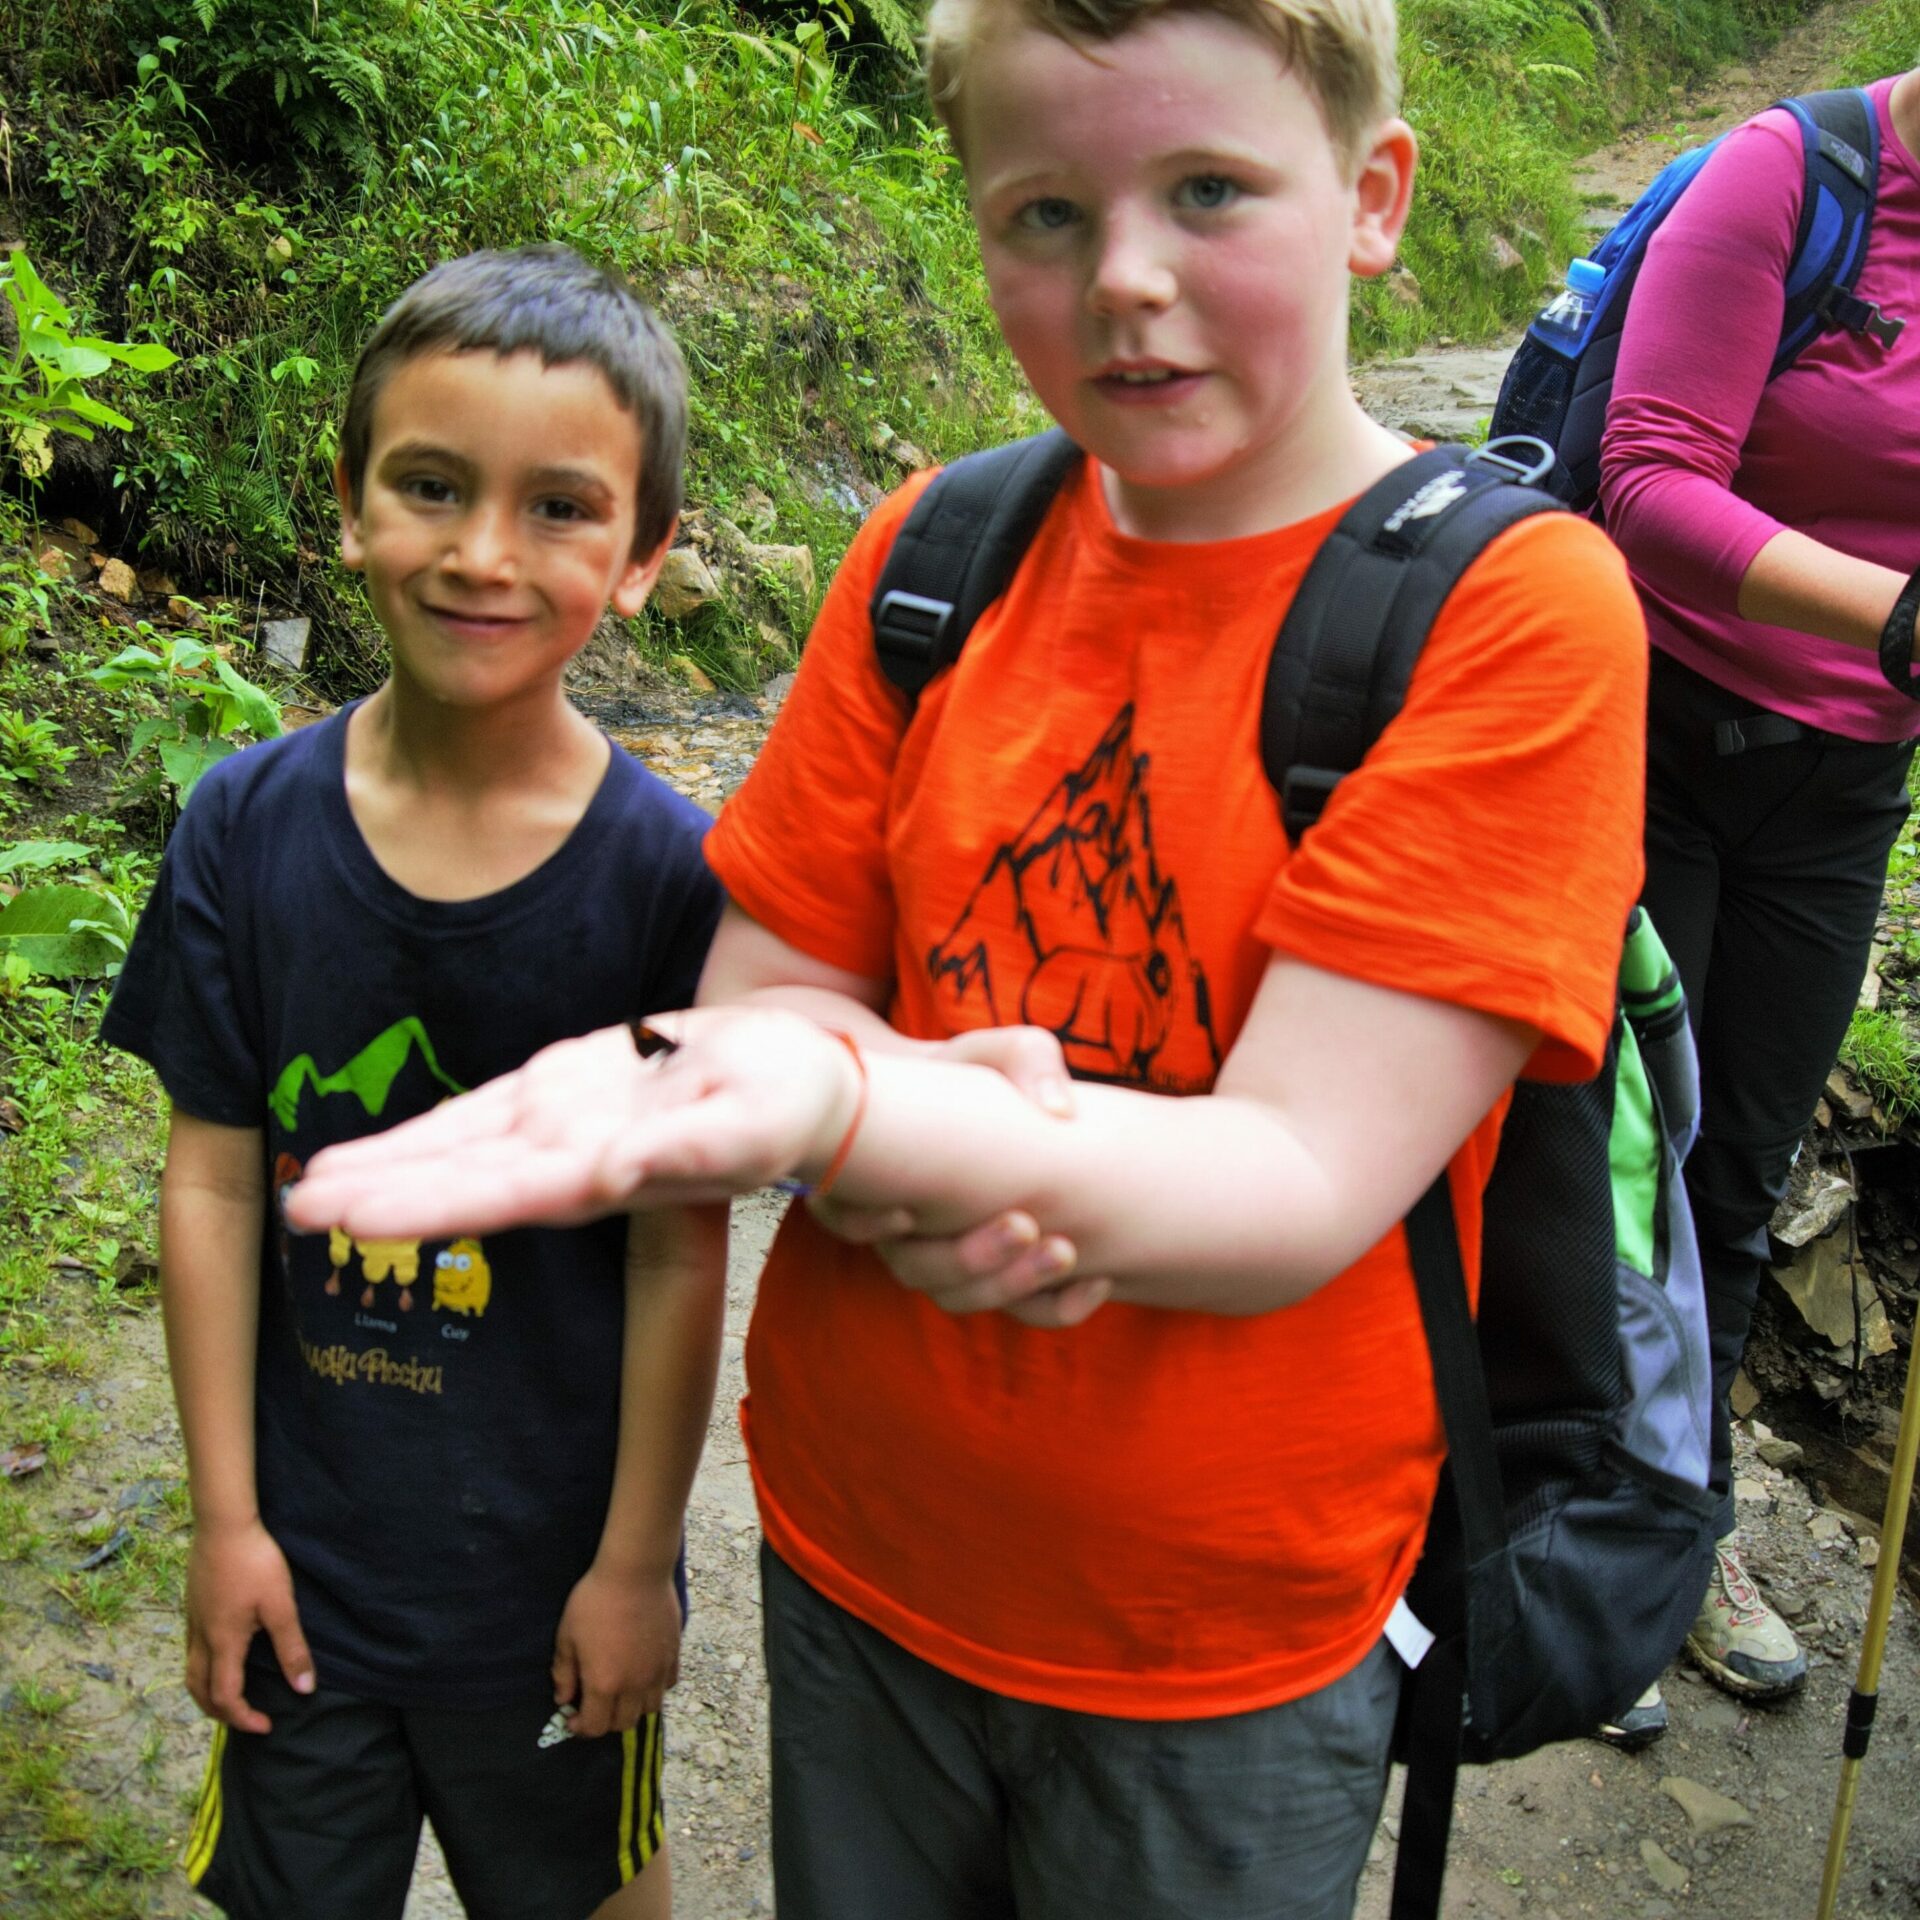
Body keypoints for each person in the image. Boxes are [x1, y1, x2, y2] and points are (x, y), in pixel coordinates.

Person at [289, 0, 1652, 1911]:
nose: (1127, 284)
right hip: (862, 1558)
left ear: (1373, 197)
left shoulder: (1514, 615)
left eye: (1208, 193)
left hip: (1220, 1645)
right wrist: (852, 1094)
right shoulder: (940, 553)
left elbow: (1295, 1178)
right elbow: (766, 989)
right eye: (1043, 215)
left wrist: (890, 1116)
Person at [102, 244, 730, 1920]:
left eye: (560, 510)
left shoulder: (674, 883)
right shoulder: (242, 828)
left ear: (648, 554)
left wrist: (631, 1566)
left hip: (545, 1578)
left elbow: (678, 1246)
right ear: (351, 500)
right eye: (433, 488)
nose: (480, 555)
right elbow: (218, 1179)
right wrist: (225, 1524)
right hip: (306, 1564)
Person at [1598, 66, 1920, 1734]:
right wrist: (1904, 616)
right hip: (1652, 728)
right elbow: (1647, 480)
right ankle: (1555, 1538)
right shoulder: (1792, 181)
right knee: (1607, 1149)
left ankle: (1679, 1536)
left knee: (1734, 1172)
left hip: (1845, 787)